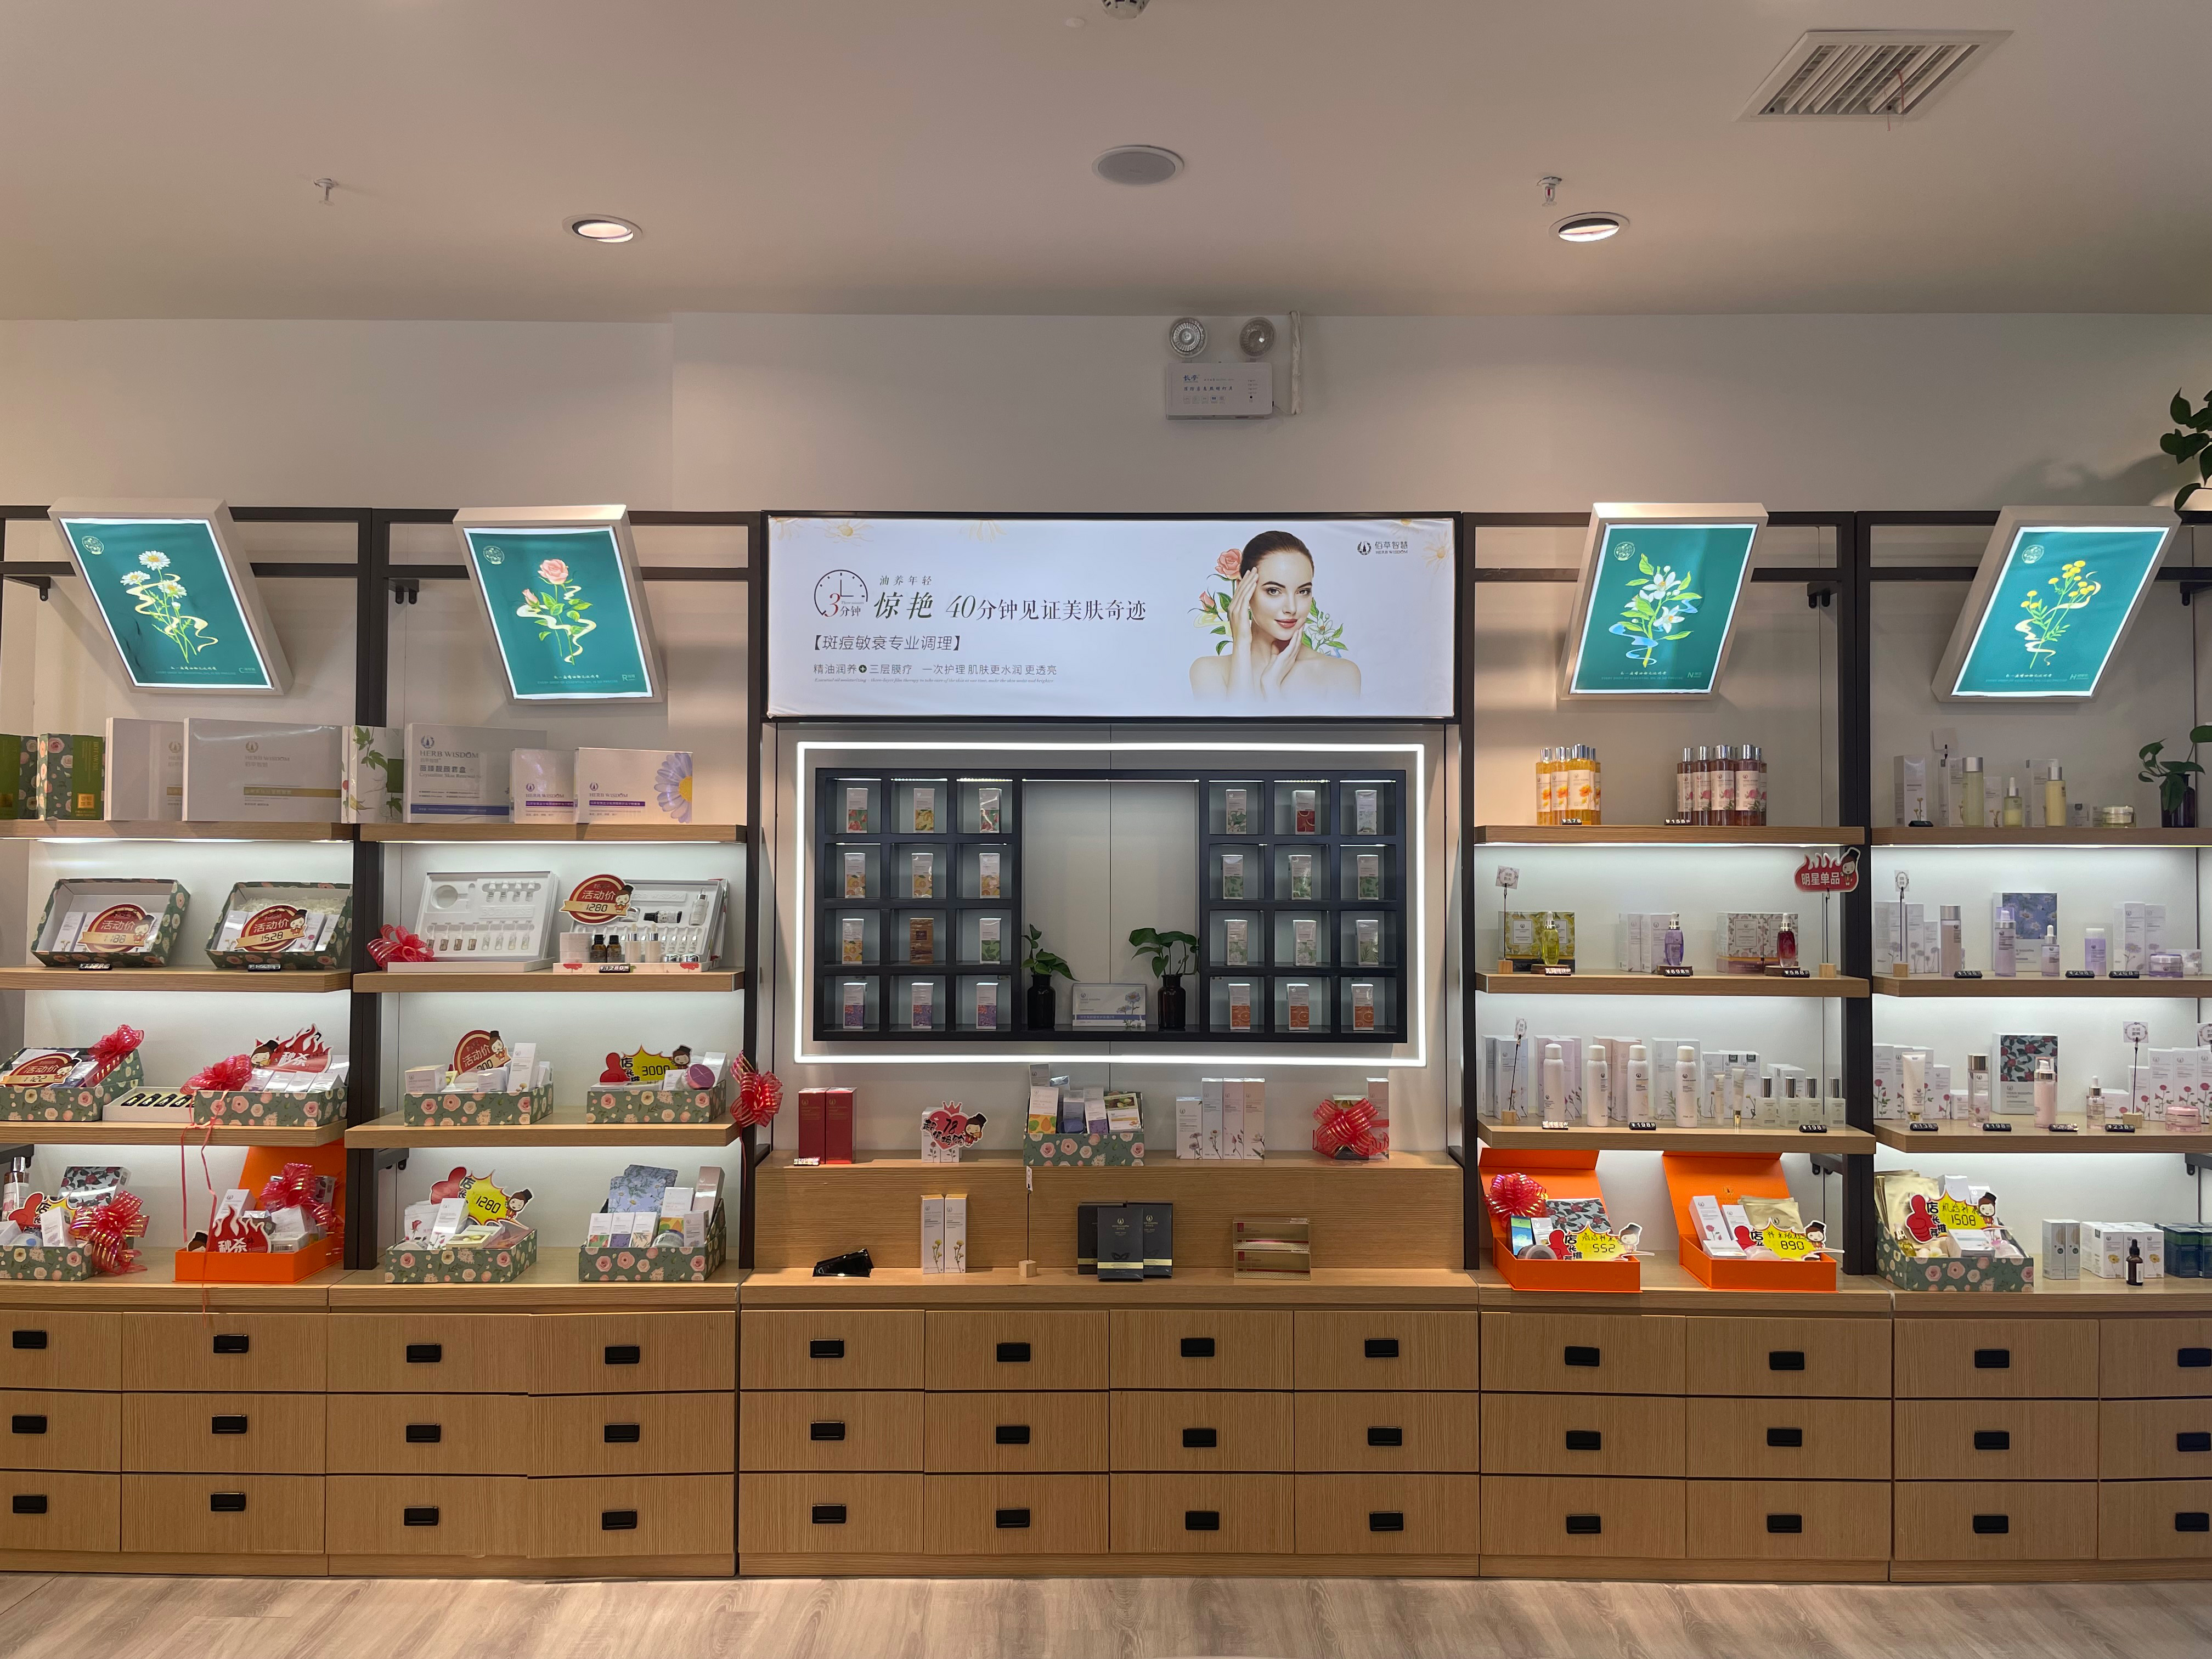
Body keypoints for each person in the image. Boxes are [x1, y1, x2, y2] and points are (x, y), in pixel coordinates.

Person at [1191, 530, 1362, 704]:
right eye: (1274, 591)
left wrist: (1271, 687)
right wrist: (1241, 644)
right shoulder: (1209, 672)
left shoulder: (1341, 675)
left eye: (1303, 591)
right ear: (1244, 591)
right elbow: (1237, 722)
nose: (1292, 608)